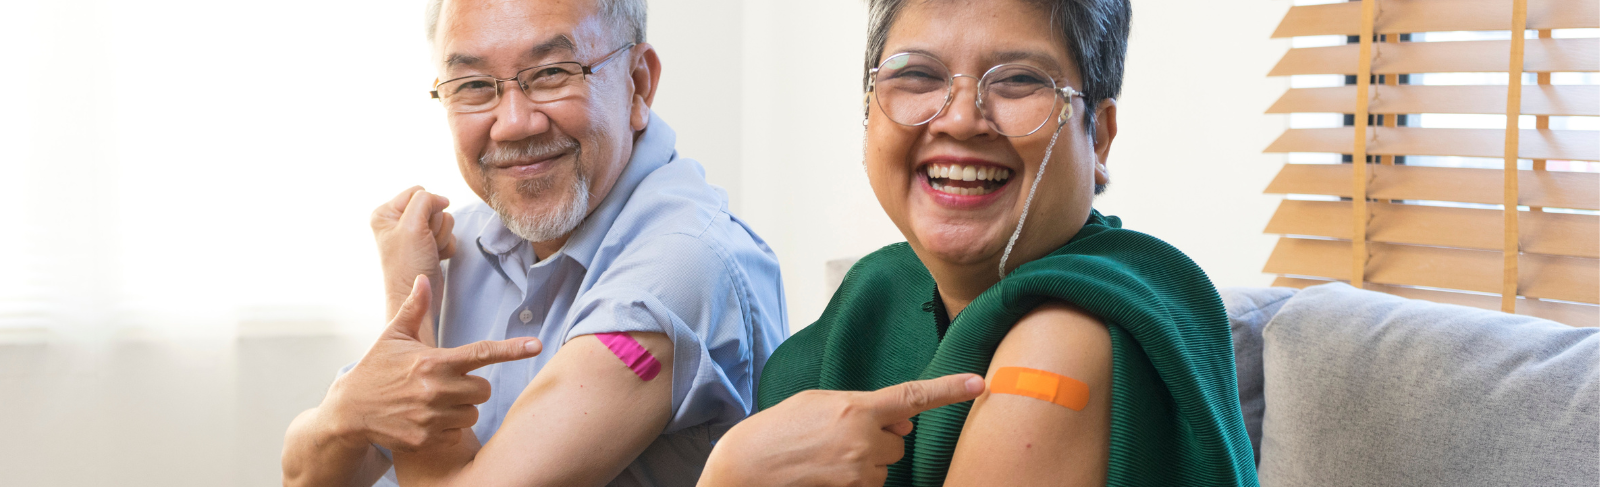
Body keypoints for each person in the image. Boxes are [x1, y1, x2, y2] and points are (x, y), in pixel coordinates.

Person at [697, 0, 1257, 485]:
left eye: (1019, 80)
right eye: (917, 75)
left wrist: (730, 477)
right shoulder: (881, 286)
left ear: (1101, 137)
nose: (962, 120)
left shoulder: (1069, 333)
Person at [280, 0, 787, 485]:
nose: (515, 122)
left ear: (637, 85)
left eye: (550, 74)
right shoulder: (463, 239)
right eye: (475, 85)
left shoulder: (682, 265)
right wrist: (346, 411)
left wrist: (405, 302)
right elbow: (307, 474)